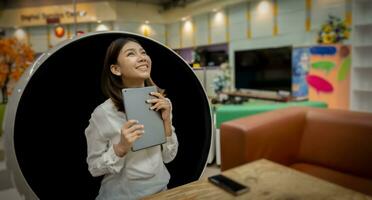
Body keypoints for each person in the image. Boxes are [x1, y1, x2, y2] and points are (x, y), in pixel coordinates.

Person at [85, 37, 178, 200]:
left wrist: (167, 123)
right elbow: (94, 168)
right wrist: (120, 148)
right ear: (115, 69)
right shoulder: (103, 113)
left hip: (163, 192)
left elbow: (169, 157)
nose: (142, 57)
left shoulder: (163, 103)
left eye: (143, 52)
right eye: (131, 54)